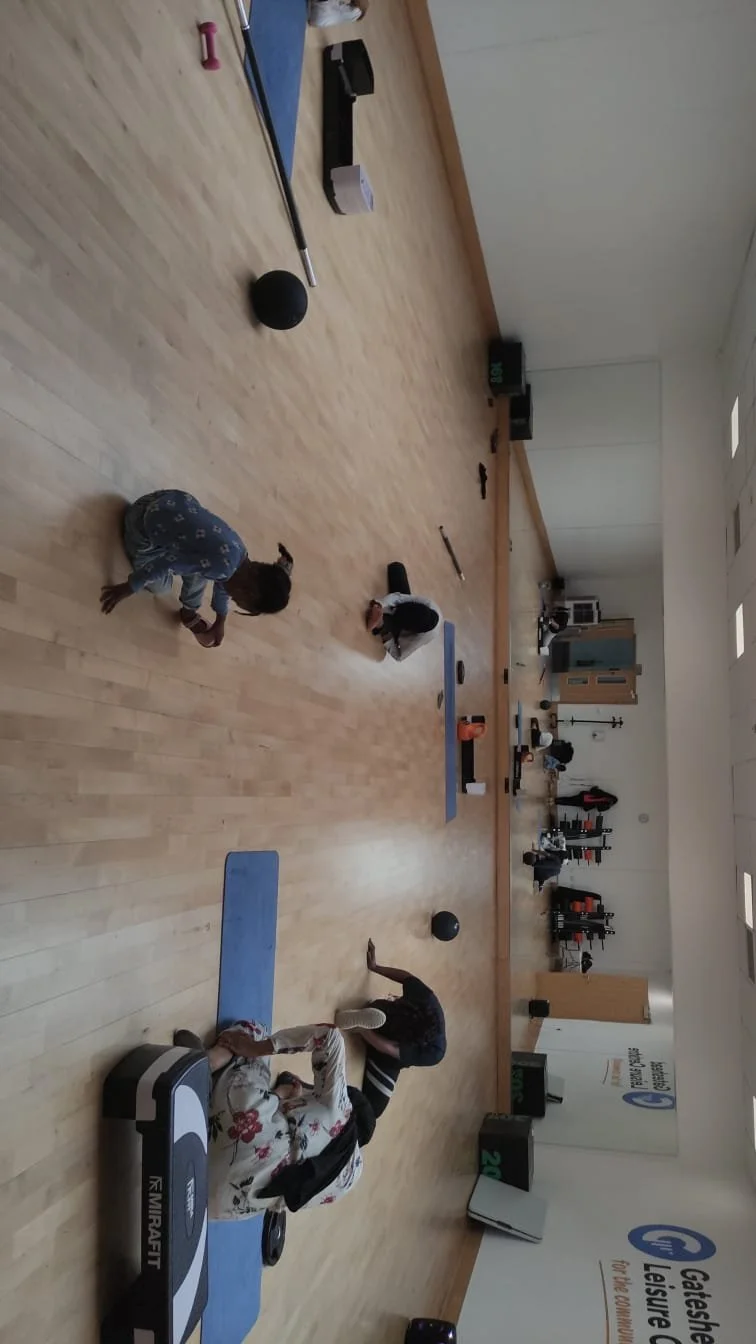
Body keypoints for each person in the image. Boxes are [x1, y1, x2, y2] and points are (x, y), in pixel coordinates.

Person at [174, 1009, 382, 1219]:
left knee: (257, 1032)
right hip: (211, 1203)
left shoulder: (343, 1110)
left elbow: (329, 1036)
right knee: (265, 1137)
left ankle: (207, 1063)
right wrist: (285, 1095)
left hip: (237, 1137)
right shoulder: (348, 1179)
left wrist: (255, 1048)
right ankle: (202, 1109)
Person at [100, 489, 293, 648]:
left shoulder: (239, 554)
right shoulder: (221, 569)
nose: (233, 598)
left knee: (201, 569)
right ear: (247, 590)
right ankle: (189, 611)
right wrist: (129, 586)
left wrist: (220, 620)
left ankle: (189, 611)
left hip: (165, 500)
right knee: (162, 587)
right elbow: (168, 562)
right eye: (238, 600)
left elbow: (223, 584)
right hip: (140, 522)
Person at [356, 940, 447, 1116]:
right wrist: (376, 967)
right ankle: (375, 1016)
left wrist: (361, 1029)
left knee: (371, 1112)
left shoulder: (434, 1053)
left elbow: (390, 1049)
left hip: (388, 1058)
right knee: (373, 1011)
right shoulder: (428, 1000)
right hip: (385, 1014)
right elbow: (406, 978)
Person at [365, 562, 442, 662]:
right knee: (397, 567)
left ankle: (381, 624)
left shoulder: (420, 639)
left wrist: (385, 633)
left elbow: (398, 656)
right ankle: (383, 616)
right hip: (404, 609)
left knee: (383, 624)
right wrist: (380, 604)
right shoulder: (429, 604)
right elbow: (401, 598)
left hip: (400, 629)